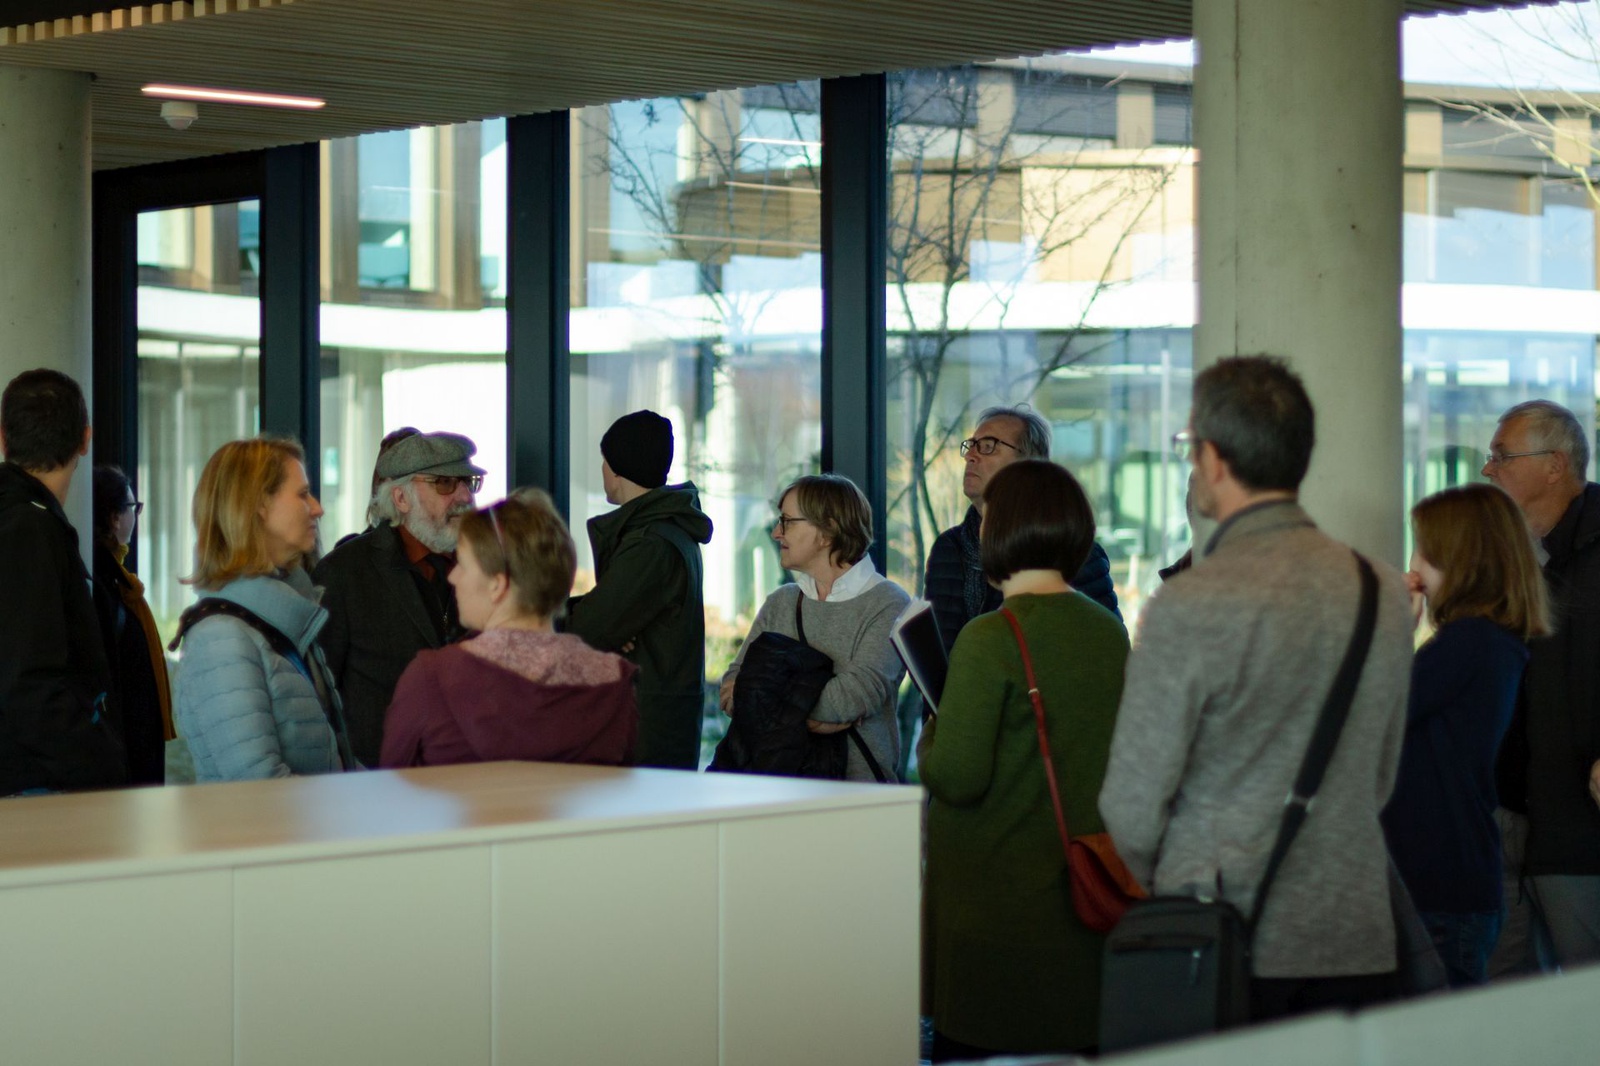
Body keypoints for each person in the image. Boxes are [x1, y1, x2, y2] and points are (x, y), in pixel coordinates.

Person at [1099, 355, 1413, 1022]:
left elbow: (1131, 802)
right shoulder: (1382, 589)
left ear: (1214, 459)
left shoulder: (1191, 601)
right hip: (1355, 930)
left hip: (1227, 936)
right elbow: (1380, 774)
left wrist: (1185, 876)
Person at [919, 459, 1128, 1059]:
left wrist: (933, 732)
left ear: (1001, 531)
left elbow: (957, 775)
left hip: (997, 913)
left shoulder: (990, 637)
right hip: (1084, 896)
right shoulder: (1107, 632)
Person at [1381, 484, 1548, 987]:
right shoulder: (1484, 642)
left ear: (1460, 559)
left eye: (1423, 548)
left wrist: (1392, 628)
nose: (1413, 564)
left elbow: (1373, 712)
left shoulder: (1468, 643)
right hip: (1452, 874)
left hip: (1439, 879)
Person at [381, 490, 637, 768]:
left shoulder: (431, 679)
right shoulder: (614, 681)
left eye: (463, 564)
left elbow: (391, 785)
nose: (453, 576)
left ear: (497, 584)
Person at [1483, 399, 1600, 970]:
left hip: (1583, 834)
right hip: (1518, 826)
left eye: (1502, 455)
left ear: (1555, 466)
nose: (1488, 469)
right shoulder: (1514, 553)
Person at [173, 437, 352, 781]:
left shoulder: (277, 625)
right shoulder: (221, 639)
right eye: (303, 494)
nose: (317, 508)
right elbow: (257, 789)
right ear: (258, 505)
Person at [720, 474, 908, 781]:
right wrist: (811, 719)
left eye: (787, 522)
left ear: (828, 531)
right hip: (774, 791)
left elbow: (851, 697)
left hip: (858, 796)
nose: (776, 532)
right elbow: (732, 688)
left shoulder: (888, 604)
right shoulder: (781, 601)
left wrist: (763, 703)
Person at [314, 430, 484, 767]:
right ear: (401, 498)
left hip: (469, 779)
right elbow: (318, 698)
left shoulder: (484, 568)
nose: (465, 496)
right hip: (379, 782)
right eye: (445, 483)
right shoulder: (345, 573)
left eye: (469, 482)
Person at [0, 369, 125, 795]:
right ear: (85, 439)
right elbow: (30, 685)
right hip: (35, 786)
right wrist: (103, 762)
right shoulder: (28, 529)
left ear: (4, 439)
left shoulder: (24, 519)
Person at [566, 410, 713, 769]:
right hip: (658, 727)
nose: (602, 470)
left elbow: (590, 629)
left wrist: (587, 617)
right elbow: (608, 618)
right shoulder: (670, 529)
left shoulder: (649, 543)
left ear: (618, 468)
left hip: (644, 734)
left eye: (605, 460)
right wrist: (609, 619)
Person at [923, 404, 1119, 662]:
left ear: (1027, 465)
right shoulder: (949, 547)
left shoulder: (1073, 551)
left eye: (988, 446)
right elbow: (935, 654)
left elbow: (1105, 655)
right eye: (970, 445)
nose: (970, 455)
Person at [91, 464, 174, 786]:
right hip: (127, 747)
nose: (136, 516)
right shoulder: (107, 585)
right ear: (115, 517)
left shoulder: (115, 581)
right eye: (133, 507)